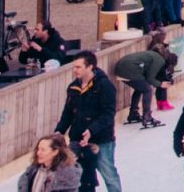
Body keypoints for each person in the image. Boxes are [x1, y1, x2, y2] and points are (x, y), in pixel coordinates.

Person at [54, 52, 120, 192]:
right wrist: (59, 131)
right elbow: (68, 113)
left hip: (100, 139)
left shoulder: (104, 86)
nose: (74, 70)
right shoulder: (73, 87)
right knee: (78, 177)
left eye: (78, 67)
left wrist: (91, 130)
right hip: (76, 139)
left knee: (109, 175)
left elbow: (108, 114)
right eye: (73, 67)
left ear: (90, 67)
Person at [111, 46, 164, 129]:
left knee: (140, 88)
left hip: (119, 68)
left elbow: (147, 75)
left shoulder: (150, 55)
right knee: (148, 90)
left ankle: (133, 114)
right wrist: (160, 84)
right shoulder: (159, 59)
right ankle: (147, 116)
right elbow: (150, 79)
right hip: (128, 70)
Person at [15, 134, 81, 192]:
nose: (38, 153)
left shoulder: (68, 177)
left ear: (55, 152)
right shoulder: (34, 169)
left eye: (43, 150)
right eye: (38, 149)